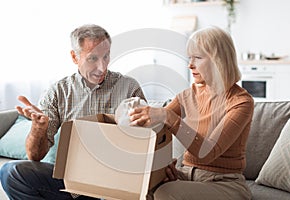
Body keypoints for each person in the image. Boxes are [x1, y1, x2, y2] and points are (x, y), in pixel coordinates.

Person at [0, 24, 145, 200]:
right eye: (92, 58)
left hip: (115, 182)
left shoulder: (129, 88)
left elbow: (147, 143)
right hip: (71, 183)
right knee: (11, 172)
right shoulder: (58, 92)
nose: (102, 67)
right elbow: (35, 156)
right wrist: (38, 128)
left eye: (106, 57)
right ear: (74, 57)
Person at [130, 26, 254, 200]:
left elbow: (208, 152)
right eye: (190, 58)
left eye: (198, 58)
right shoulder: (189, 95)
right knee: (143, 189)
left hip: (225, 184)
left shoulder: (241, 102)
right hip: (188, 176)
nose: (190, 65)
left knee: (165, 194)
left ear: (218, 60)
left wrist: (167, 116)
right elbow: (156, 125)